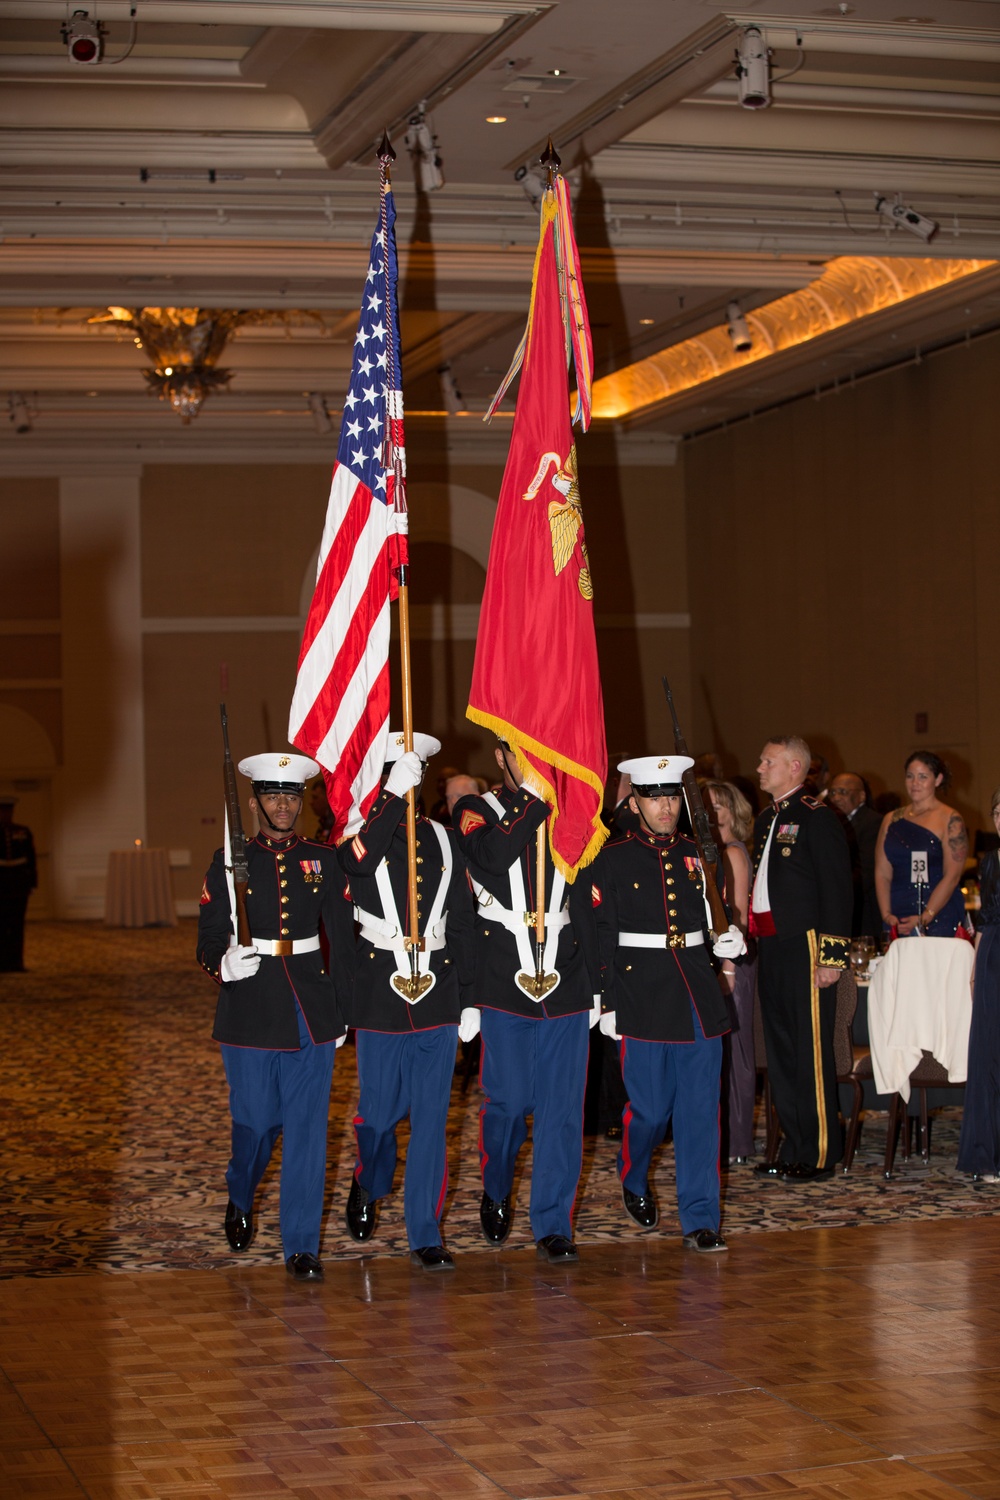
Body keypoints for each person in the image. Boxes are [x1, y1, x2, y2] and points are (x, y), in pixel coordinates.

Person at [197, 752, 351, 1282]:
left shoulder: (322, 859)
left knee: (308, 1131)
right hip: (249, 1008)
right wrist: (223, 962)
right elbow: (209, 936)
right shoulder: (229, 858)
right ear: (254, 801)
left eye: (291, 796)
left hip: (311, 1009)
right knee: (256, 1124)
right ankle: (241, 1192)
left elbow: (343, 943)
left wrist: (342, 1011)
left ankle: (302, 1245)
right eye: (272, 795)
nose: (283, 805)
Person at [452, 739, 599, 1264]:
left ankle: (553, 1222)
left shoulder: (574, 813)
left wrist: (600, 981)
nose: (535, 763)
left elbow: (589, 897)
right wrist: (538, 797)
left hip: (567, 976)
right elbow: (492, 855)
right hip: (501, 978)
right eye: (521, 752)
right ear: (499, 756)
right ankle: (496, 1185)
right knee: (509, 1102)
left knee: (562, 1110)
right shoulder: (475, 810)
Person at [337, 732, 476, 1271]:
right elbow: (352, 865)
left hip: (437, 990)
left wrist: (468, 997)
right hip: (380, 991)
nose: (409, 776)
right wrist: (390, 798)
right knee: (377, 1116)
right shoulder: (360, 832)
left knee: (432, 1120)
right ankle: (368, 1180)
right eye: (398, 768)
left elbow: (462, 922)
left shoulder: (444, 838)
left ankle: (424, 1229)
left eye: (414, 769)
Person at [592, 757, 744, 1251]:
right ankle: (633, 1175)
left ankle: (700, 1219)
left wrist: (728, 941)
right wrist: (608, 1000)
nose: (665, 807)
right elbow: (602, 933)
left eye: (672, 797)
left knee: (702, 1111)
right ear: (634, 801)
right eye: (655, 797)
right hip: (641, 993)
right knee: (652, 1111)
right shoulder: (613, 857)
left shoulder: (698, 850)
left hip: (697, 991)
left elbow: (716, 911)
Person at [751, 736, 852, 1181]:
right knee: (783, 1049)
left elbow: (837, 890)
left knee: (810, 1050)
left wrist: (832, 957)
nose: (758, 767)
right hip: (772, 946)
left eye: (766, 761)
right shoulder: (765, 820)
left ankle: (821, 1152)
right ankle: (795, 1145)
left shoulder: (817, 819)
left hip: (807, 943)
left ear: (794, 767)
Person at [703, 778, 758, 1163]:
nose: (711, 809)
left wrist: (728, 968)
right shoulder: (702, 851)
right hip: (707, 958)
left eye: (718, 804)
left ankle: (736, 1142)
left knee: (735, 1051)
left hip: (733, 960)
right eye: (705, 802)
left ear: (733, 811)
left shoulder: (733, 853)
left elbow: (737, 915)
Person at [875, 751, 968, 941]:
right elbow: (882, 873)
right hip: (897, 915)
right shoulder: (891, 819)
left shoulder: (950, 819)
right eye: (910, 776)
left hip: (938, 914)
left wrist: (926, 916)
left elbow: (953, 875)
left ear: (938, 779)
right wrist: (886, 914)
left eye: (923, 777)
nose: (915, 783)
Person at [957, 785, 1000, 1181]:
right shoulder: (991, 861)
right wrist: (974, 967)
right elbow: (985, 919)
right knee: (989, 1053)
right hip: (993, 959)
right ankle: (989, 1154)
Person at [828, 772, 882, 940]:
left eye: (843, 792)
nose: (836, 798)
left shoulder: (872, 822)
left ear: (861, 796)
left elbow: (867, 872)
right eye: (832, 792)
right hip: (841, 908)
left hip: (863, 910)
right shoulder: (831, 822)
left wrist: (834, 893)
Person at [0, 794, 37, 973]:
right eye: (2, 811)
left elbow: (30, 858)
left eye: (8, 811)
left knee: (17, 925)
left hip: (18, 884)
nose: (5, 815)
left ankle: (16, 962)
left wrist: (32, 882)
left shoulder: (22, 831)